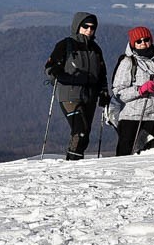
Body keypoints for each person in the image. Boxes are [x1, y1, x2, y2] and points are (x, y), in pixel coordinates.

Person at [44, 12, 109, 160]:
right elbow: (49, 67)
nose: (89, 30)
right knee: (80, 130)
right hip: (69, 95)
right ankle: (72, 163)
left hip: (90, 96)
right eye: (85, 26)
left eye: (92, 28)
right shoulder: (65, 45)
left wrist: (104, 92)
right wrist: (61, 76)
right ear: (77, 26)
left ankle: (75, 161)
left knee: (85, 134)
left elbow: (102, 74)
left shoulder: (96, 49)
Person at [111, 26, 154, 156]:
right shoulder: (128, 62)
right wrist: (140, 89)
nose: (143, 43)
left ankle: (142, 154)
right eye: (138, 41)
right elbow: (118, 92)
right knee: (124, 152)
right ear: (133, 44)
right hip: (131, 114)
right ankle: (120, 173)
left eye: (146, 39)